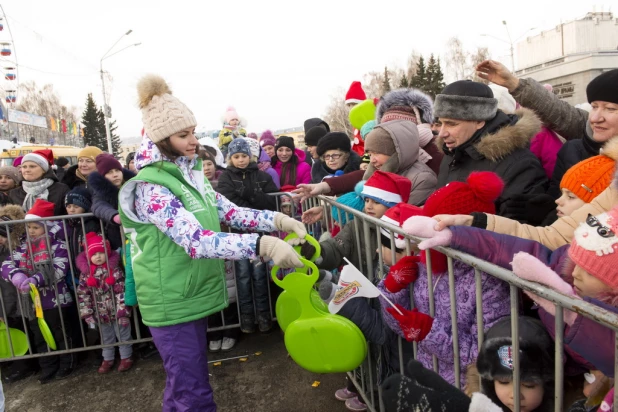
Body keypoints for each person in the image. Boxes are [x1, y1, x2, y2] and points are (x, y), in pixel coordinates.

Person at [118, 74, 306, 411]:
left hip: (188, 292)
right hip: (171, 299)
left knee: (184, 388)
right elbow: (195, 241)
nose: (194, 141)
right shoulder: (152, 188)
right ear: (161, 139)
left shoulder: (190, 175)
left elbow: (229, 210)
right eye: (183, 135)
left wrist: (277, 220)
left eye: (193, 131)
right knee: (194, 394)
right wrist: (263, 246)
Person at [476, 61, 618, 199]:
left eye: (610, 109)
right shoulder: (574, 149)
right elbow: (559, 113)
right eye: (594, 106)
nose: (595, 118)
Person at [381, 316, 555, 412]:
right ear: (489, 380)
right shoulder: (478, 402)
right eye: (503, 382)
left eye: (529, 385)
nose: (516, 396)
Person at [433, 80, 548, 218]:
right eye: (441, 123)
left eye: (451, 124)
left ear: (480, 121)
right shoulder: (452, 152)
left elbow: (516, 229)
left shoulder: (520, 164)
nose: (442, 133)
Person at [1, 199, 74, 384]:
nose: (31, 231)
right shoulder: (23, 247)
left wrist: (36, 279)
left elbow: (59, 269)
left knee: (59, 332)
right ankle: (48, 366)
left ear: (47, 227)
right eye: (29, 227)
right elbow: (7, 264)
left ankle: (67, 362)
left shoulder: (57, 245)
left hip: (55, 299)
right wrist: (16, 276)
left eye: (36, 227)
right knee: (39, 335)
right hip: (32, 302)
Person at [217, 138, 279, 333]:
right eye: (236, 156)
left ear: (250, 156)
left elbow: (271, 202)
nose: (241, 160)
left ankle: (263, 315)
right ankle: (246, 317)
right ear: (230, 158)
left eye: (244, 156)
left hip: (260, 232)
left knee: (260, 274)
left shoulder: (262, 176)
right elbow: (229, 202)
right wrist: (253, 199)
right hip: (237, 234)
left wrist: (250, 195)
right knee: (243, 274)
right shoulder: (226, 177)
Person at [301, 171, 411, 273]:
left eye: (376, 202)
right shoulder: (356, 224)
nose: (369, 206)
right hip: (361, 287)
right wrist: (318, 252)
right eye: (367, 200)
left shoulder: (403, 231)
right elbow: (336, 248)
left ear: (392, 206)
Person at [77, 232, 133, 373]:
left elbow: (122, 291)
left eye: (101, 253)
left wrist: (123, 312)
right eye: (94, 254)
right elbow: (83, 295)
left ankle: (126, 357)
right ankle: (108, 358)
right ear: (89, 256)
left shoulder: (114, 271)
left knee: (123, 334)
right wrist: (88, 314)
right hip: (100, 313)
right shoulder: (86, 275)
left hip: (116, 310)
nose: (98, 256)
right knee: (106, 337)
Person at [363, 119, 437, 205]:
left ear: (395, 152)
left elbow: (405, 213)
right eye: (370, 154)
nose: (372, 160)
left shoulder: (423, 178)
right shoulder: (374, 173)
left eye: (376, 153)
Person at [376, 88, 443, 175]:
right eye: (386, 130)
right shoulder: (382, 152)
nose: (391, 135)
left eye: (396, 129)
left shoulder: (437, 152)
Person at [89, 153, 136, 250]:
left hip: (138, 232)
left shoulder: (134, 185)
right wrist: (114, 216)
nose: (115, 175)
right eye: (109, 172)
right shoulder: (100, 192)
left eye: (117, 170)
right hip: (118, 237)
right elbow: (98, 206)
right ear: (103, 176)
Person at [9, 149, 69, 216]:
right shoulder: (14, 193)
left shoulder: (61, 189)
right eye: (24, 167)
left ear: (44, 169)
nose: (27, 170)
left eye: (32, 166)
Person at [345, 81, 368, 156]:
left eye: (354, 104)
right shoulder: (355, 121)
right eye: (349, 105)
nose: (351, 108)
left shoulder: (367, 120)